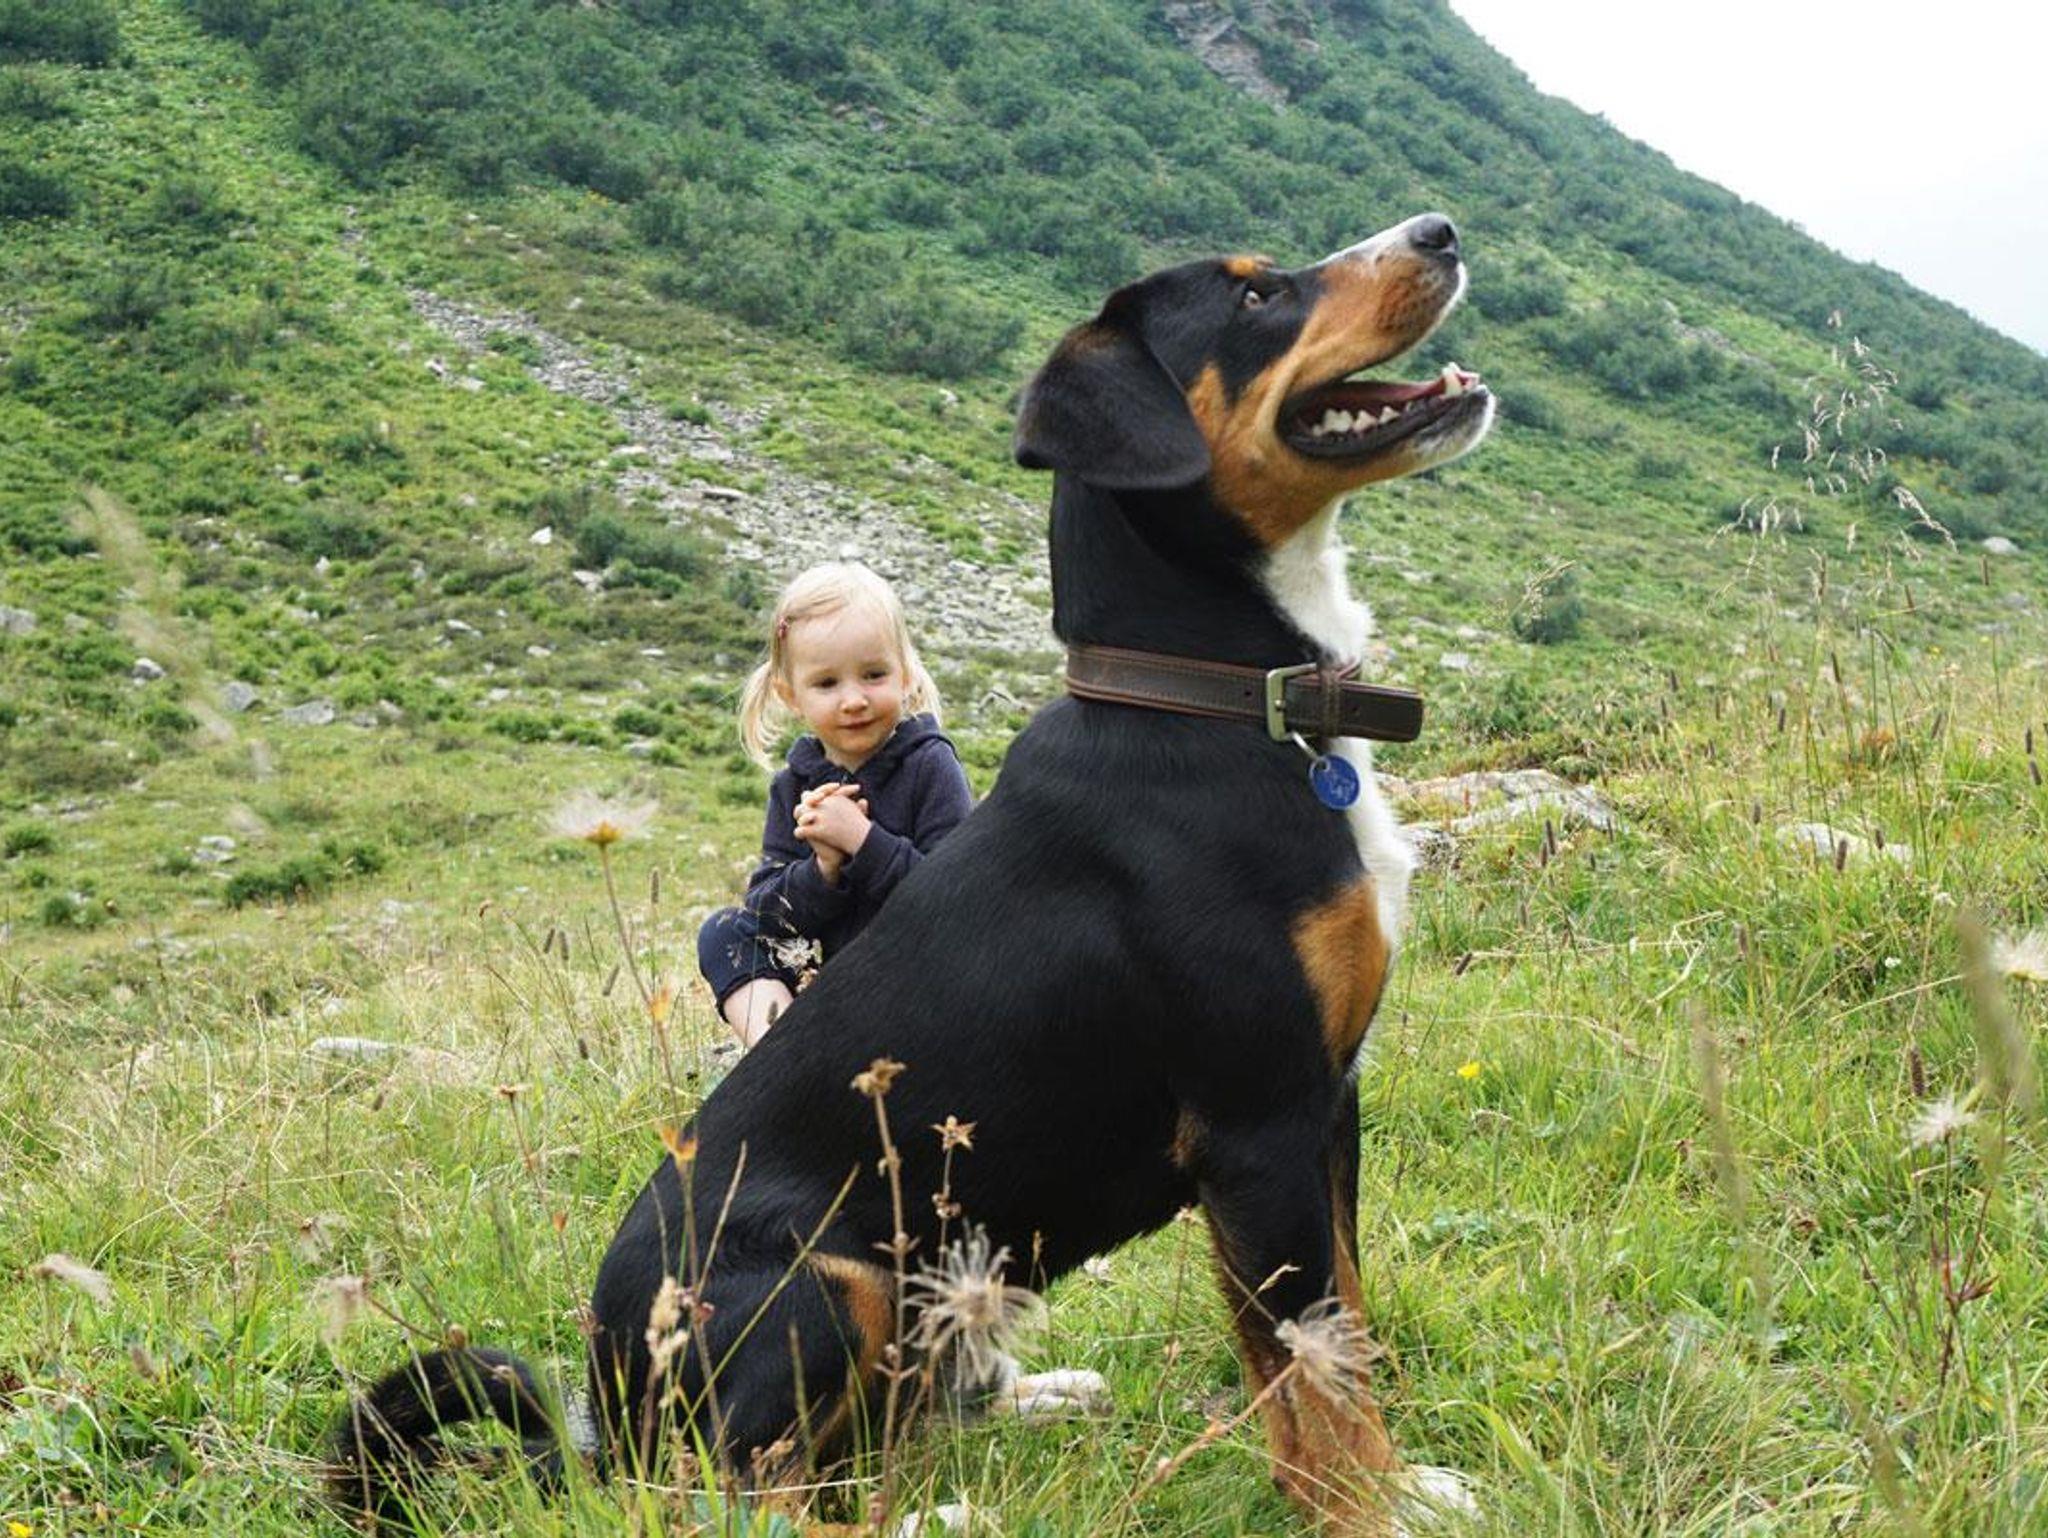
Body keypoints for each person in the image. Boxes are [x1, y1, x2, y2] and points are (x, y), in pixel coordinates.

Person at [697, 562, 973, 1047]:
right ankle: (783, 1060)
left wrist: (862, 841)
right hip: (829, 989)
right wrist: (822, 869)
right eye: (827, 683)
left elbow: (957, 901)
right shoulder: (793, 786)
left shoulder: (930, 765)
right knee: (724, 932)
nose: (853, 700)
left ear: (906, 675)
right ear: (791, 695)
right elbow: (768, 915)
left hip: (920, 983)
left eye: (874, 675)